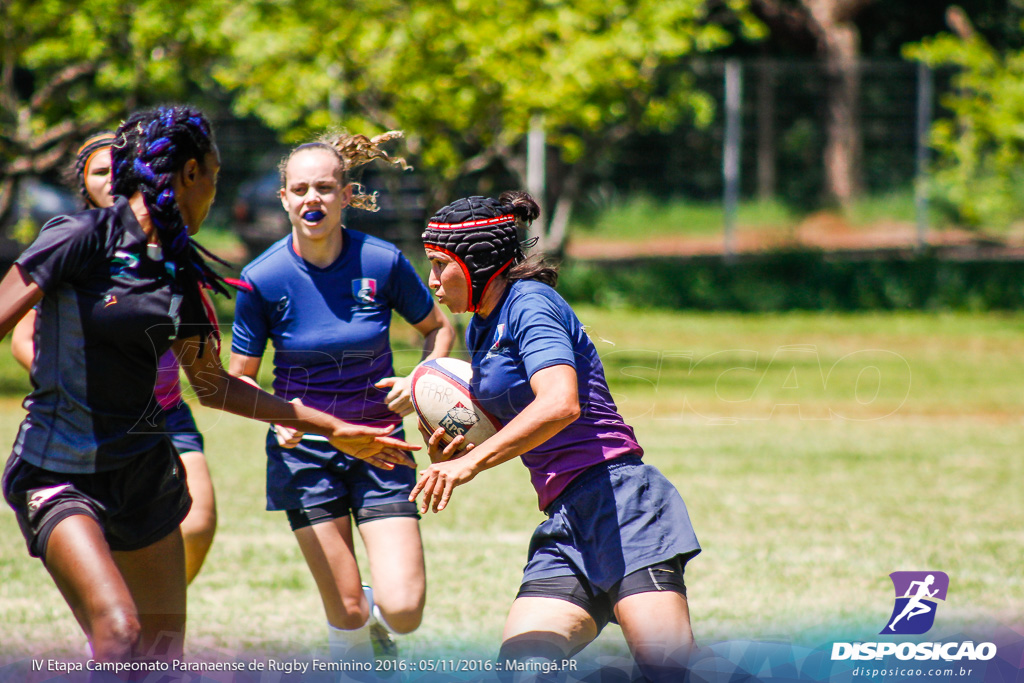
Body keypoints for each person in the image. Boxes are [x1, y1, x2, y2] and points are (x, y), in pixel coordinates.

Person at [0, 106, 418, 667]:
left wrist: (333, 426)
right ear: (189, 175)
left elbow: (217, 387)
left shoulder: (182, 271)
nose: (215, 197)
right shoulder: (80, 238)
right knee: (120, 636)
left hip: (145, 475)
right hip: (59, 471)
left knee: (162, 656)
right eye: (215, 180)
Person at [411, 192, 701, 681]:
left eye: (442, 265)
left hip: (620, 501)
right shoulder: (482, 327)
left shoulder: (531, 304)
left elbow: (560, 403)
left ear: (477, 262)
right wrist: (456, 446)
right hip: (565, 519)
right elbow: (513, 417)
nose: (432, 281)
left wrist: (470, 465)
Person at [227, 133, 455, 664]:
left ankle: (376, 619)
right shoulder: (261, 279)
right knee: (347, 614)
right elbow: (239, 379)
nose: (313, 199)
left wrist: (419, 379)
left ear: (347, 195)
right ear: (283, 198)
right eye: (300, 188)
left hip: (380, 445)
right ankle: (355, 645)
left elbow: (437, 329)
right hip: (305, 453)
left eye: (325, 188)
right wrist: (277, 417)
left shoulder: (382, 261)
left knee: (404, 611)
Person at [11, 131, 218, 585]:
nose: (111, 179)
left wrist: (312, 419)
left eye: (119, 169)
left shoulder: (174, 259)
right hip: (72, 434)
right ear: (84, 184)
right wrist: (75, 380)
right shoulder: (72, 240)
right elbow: (21, 334)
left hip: (161, 420)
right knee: (116, 621)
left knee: (198, 524)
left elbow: (213, 381)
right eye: (100, 172)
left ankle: (141, 611)